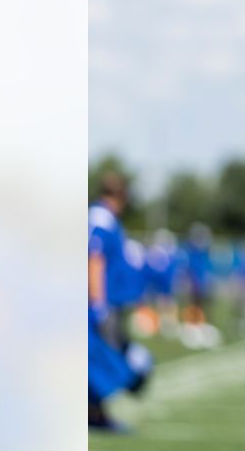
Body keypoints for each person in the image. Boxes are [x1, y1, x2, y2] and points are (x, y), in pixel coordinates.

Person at [88, 172, 152, 431]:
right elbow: (95, 259)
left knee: (105, 360)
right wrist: (98, 302)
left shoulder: (107, 218)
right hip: (101, 303)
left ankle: (97, 414)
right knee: (104, 361)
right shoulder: (102, 217)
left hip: (109, 303)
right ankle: (96, 415)